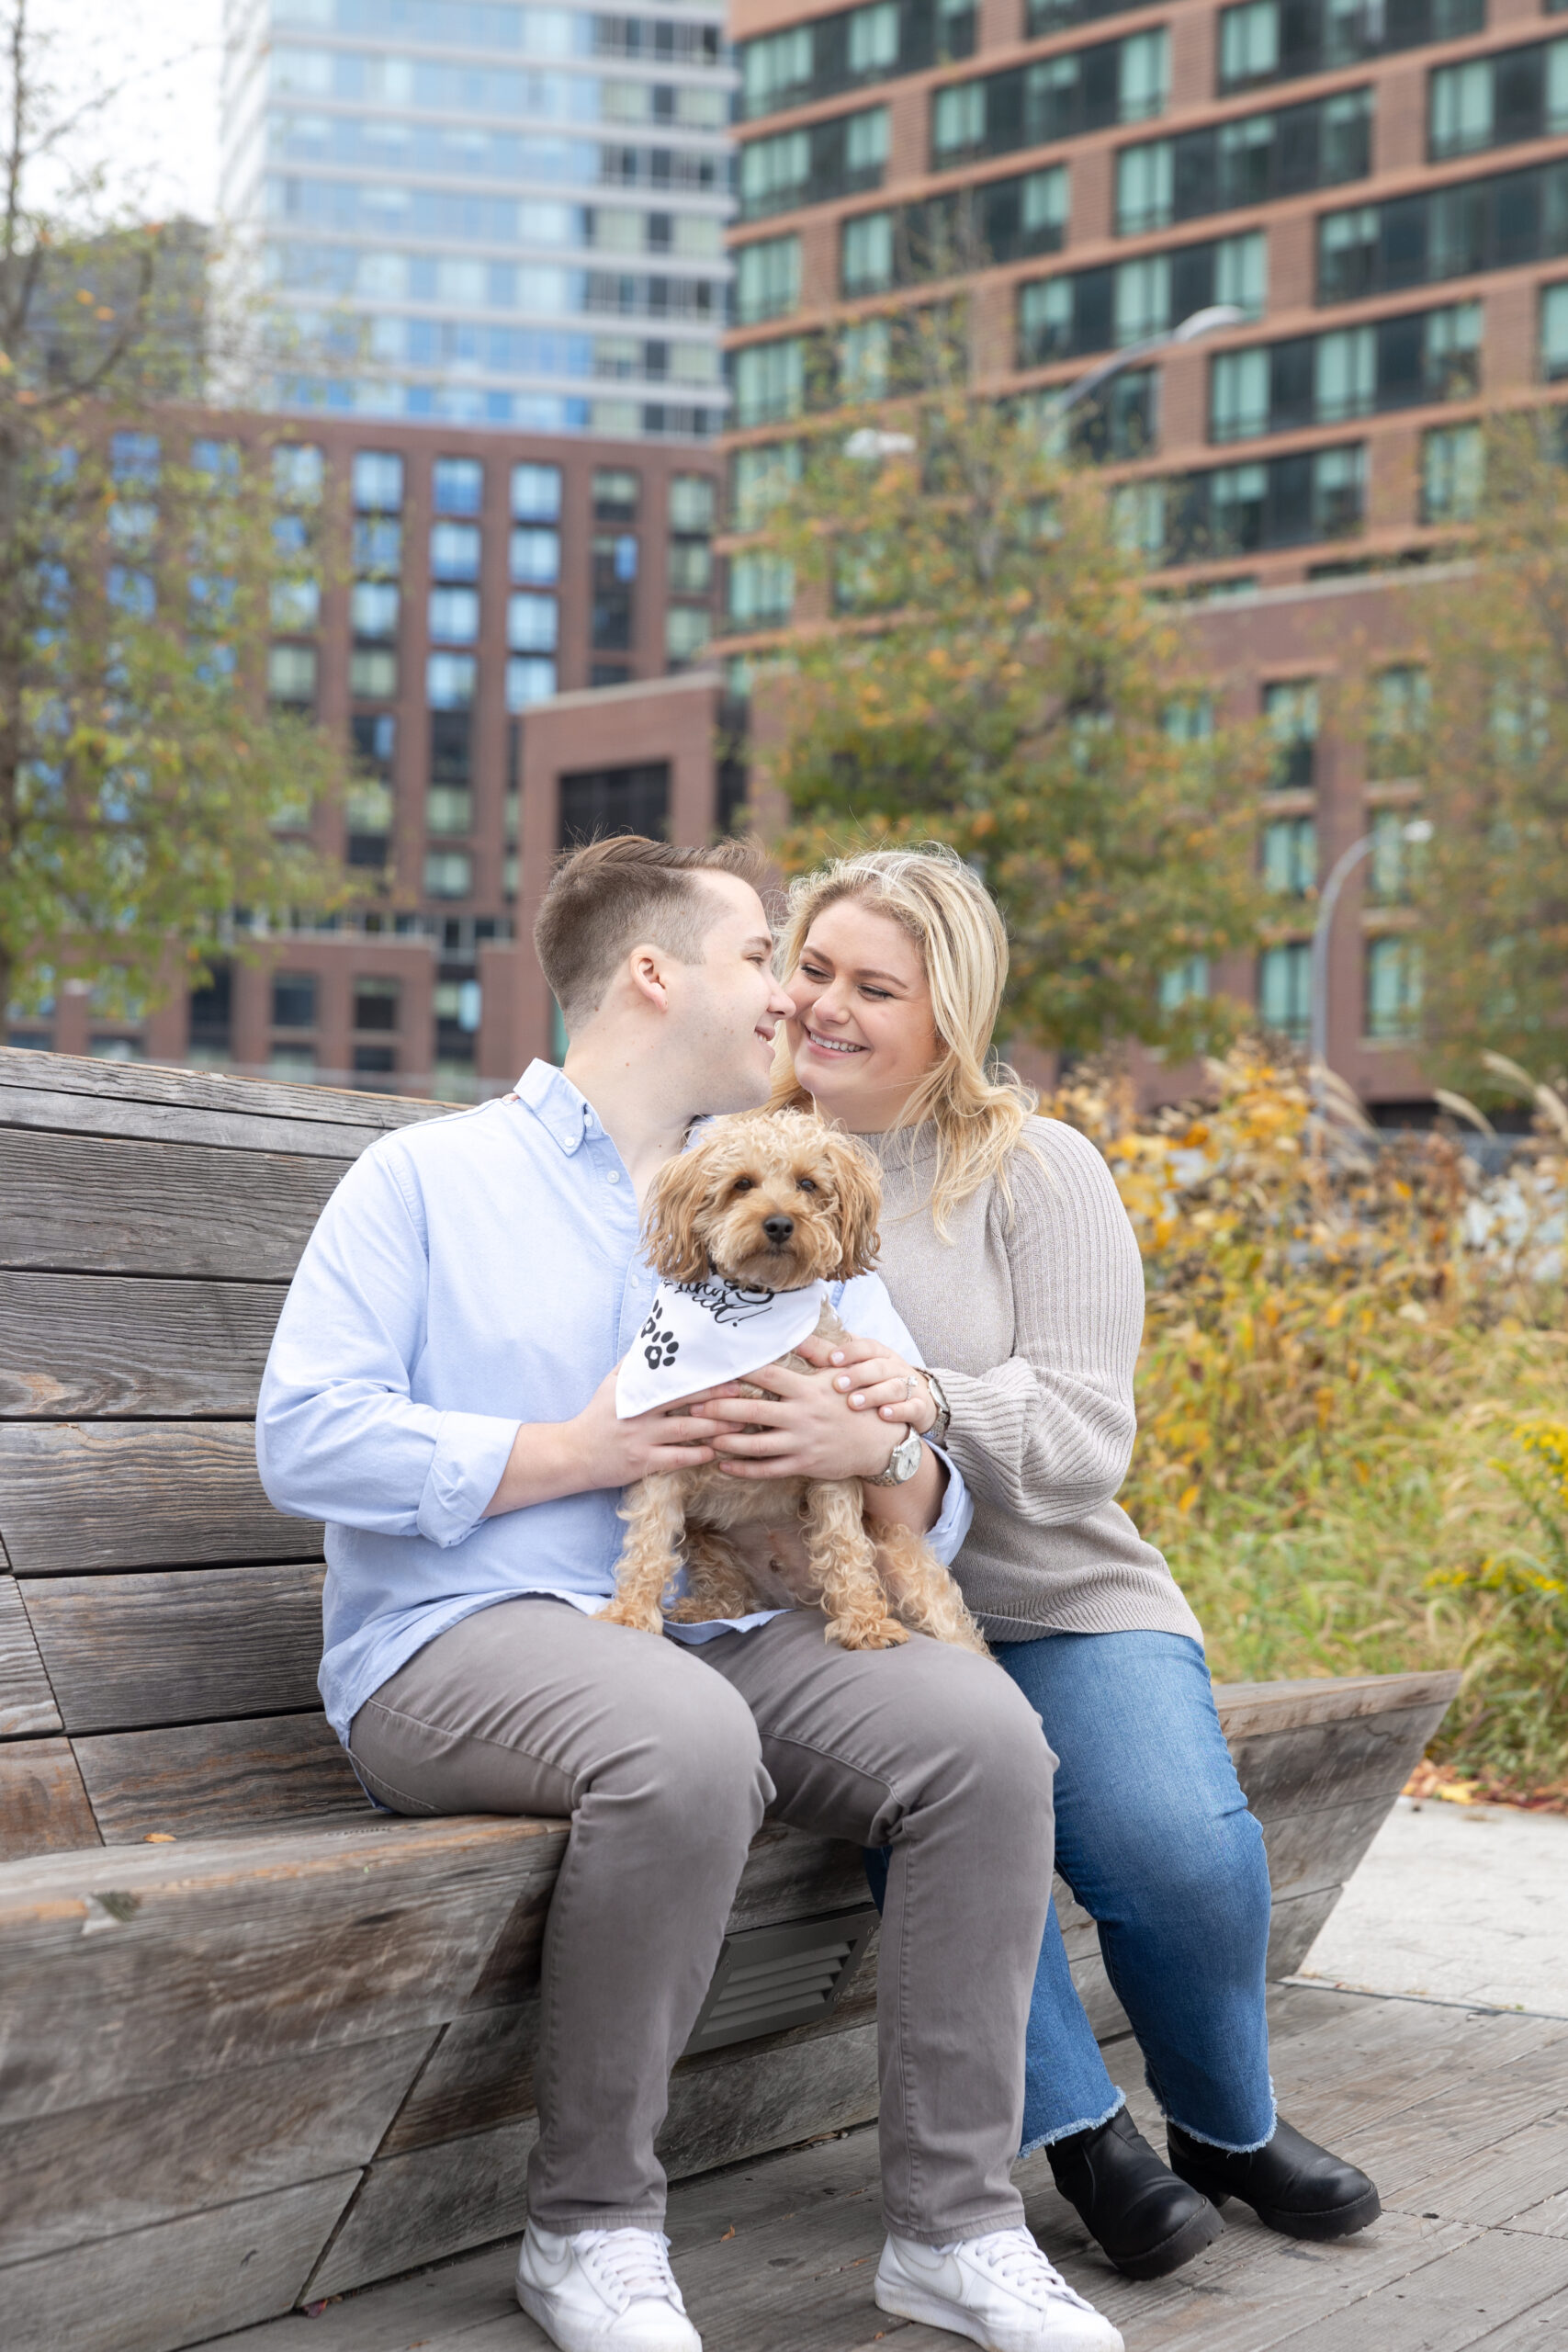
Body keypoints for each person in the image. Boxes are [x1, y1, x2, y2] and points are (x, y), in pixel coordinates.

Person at [256, 835, 1122, 2352]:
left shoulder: (783, 1197)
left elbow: (912, 1476)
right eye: (759, 957)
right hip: (458, 1636)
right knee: (683, 1737)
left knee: (983, 1738)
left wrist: (890, 1443)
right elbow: (303, 1437)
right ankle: (590, 2228)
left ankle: (956, 2228)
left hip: (736, 1615)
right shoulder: (428, 1179)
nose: (790, 990)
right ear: (654, 974)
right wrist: (571, 1451)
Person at [755, 843, 1381, 2285]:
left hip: (1062, 1593)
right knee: (956, 1798)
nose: (827, 1007)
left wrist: (929, 1400)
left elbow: (1091, 1435)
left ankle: (1226, 2128)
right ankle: (1089, 2142)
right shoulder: (745, 1159)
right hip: (867, 1615)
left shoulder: (1035, 1170)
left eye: (873, 986)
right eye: (811, 970)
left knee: (1184, 1854)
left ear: (949, 1011)